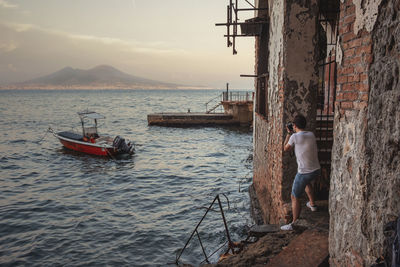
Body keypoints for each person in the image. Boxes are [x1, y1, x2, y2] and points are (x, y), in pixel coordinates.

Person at [280, 114, 321, 231]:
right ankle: (312, 205)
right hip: (316, 170)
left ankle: (293, 223)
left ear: (295, 125)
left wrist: (288, 133)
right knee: (307, 183)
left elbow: (285, 149)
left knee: (294, 196)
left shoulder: (294, 137)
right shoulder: (311, 134)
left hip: (304, 172)